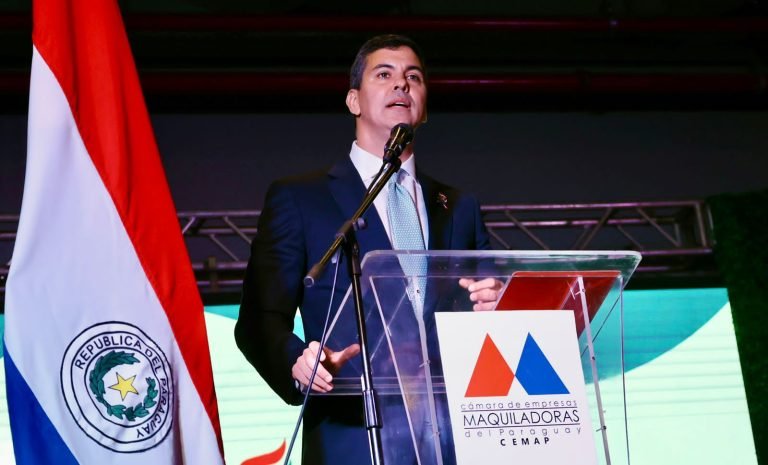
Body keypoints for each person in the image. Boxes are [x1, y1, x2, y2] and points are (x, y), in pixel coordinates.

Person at [235, 34, 501, 465]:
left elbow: (486, 308)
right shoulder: (301, 199)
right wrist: (298, 363)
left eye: (413, 77)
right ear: (353, 100)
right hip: (350, 437)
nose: (401, 84)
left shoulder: (458, 206)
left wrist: (498, 307)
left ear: (424, 107)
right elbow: (258, 319)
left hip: (452, 440)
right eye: (384, 75)